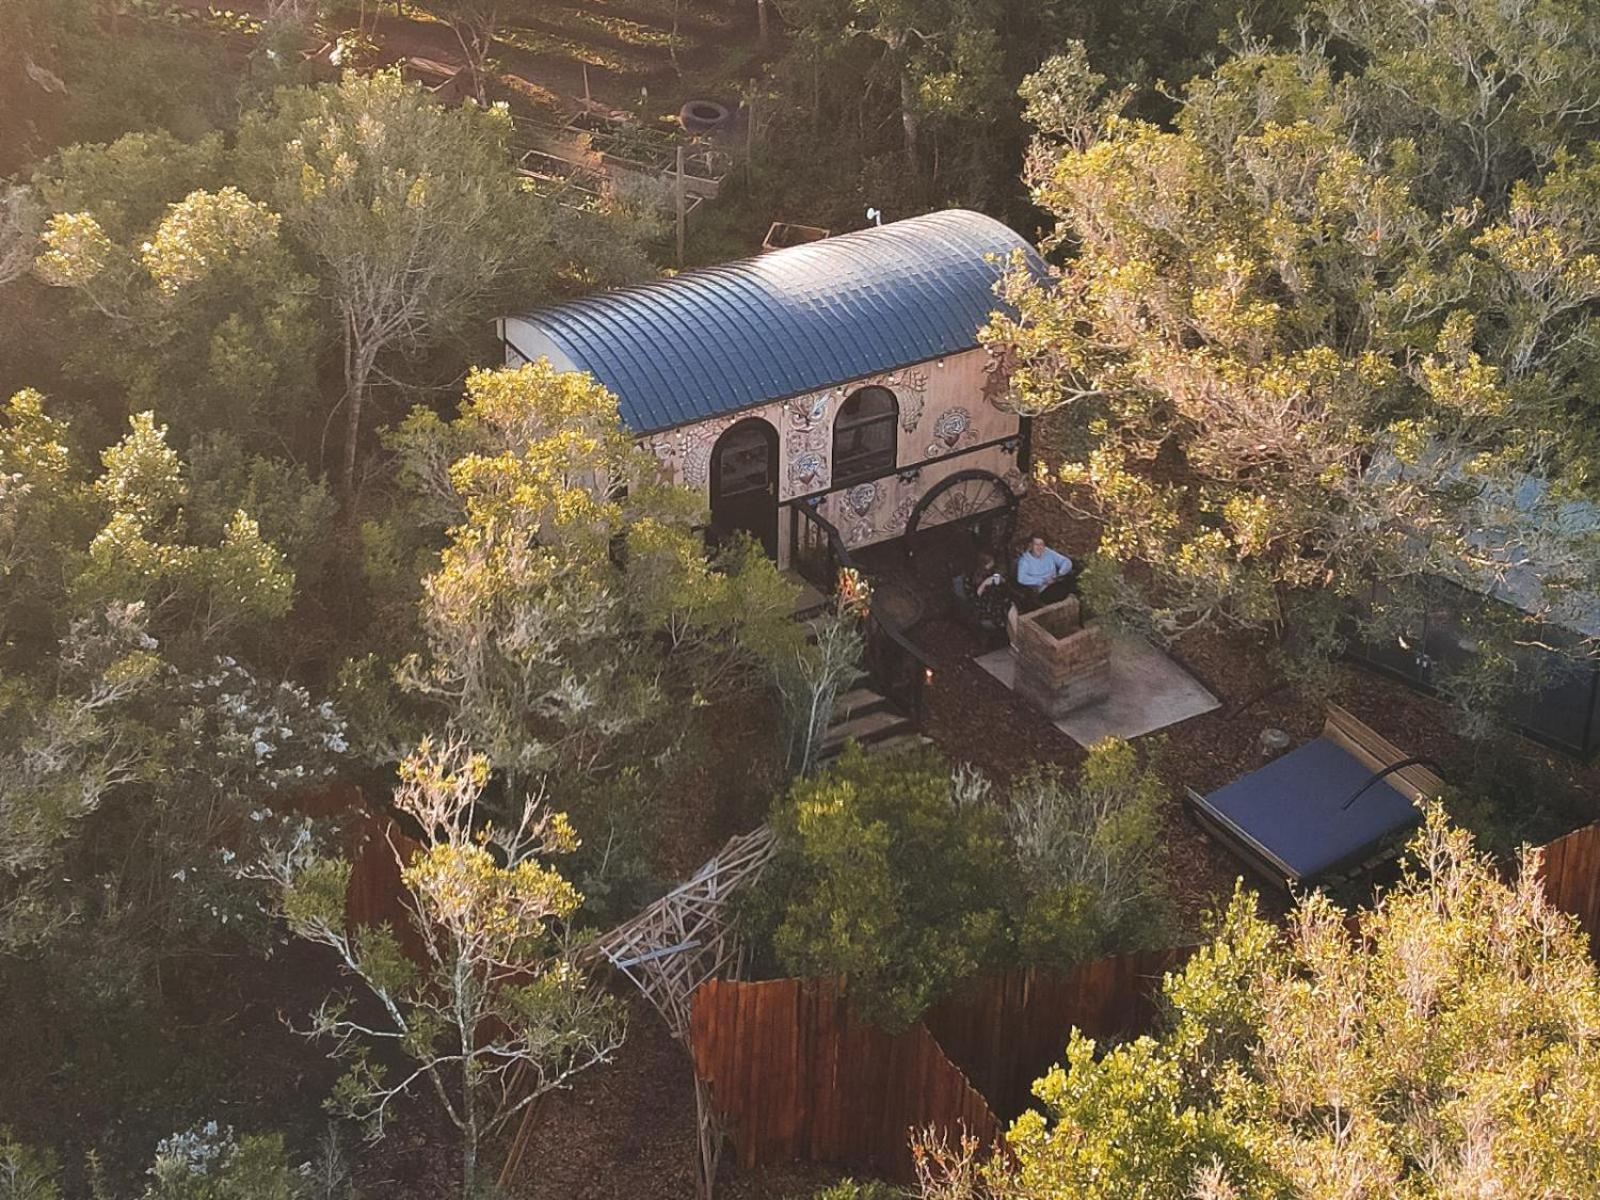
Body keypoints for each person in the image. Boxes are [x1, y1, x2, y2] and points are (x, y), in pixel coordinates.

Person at [1016, 533, 1074, 609]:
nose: (1039, 547)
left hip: (1056, 582)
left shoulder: (1048, 552)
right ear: (1031, 545)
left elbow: (1066, 562)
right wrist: (1042, 581)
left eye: (1041, 544)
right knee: (1062, 591)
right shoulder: (1025, 560)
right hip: (1042, 590)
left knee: (1073, 581)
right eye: (1036, 544)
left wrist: (1059, 573)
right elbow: (1021, 578)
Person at [966, 551, 1012, 633]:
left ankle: (1014, 635)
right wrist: (984, 584)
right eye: (990, 563)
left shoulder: (991, 572)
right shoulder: (971, 578)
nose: (992, 565)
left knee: (1010, 605)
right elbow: (974, 598)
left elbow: (1001, 584)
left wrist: (1001, 579)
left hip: (996, 601)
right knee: (1007, 609)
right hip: (984, 606)